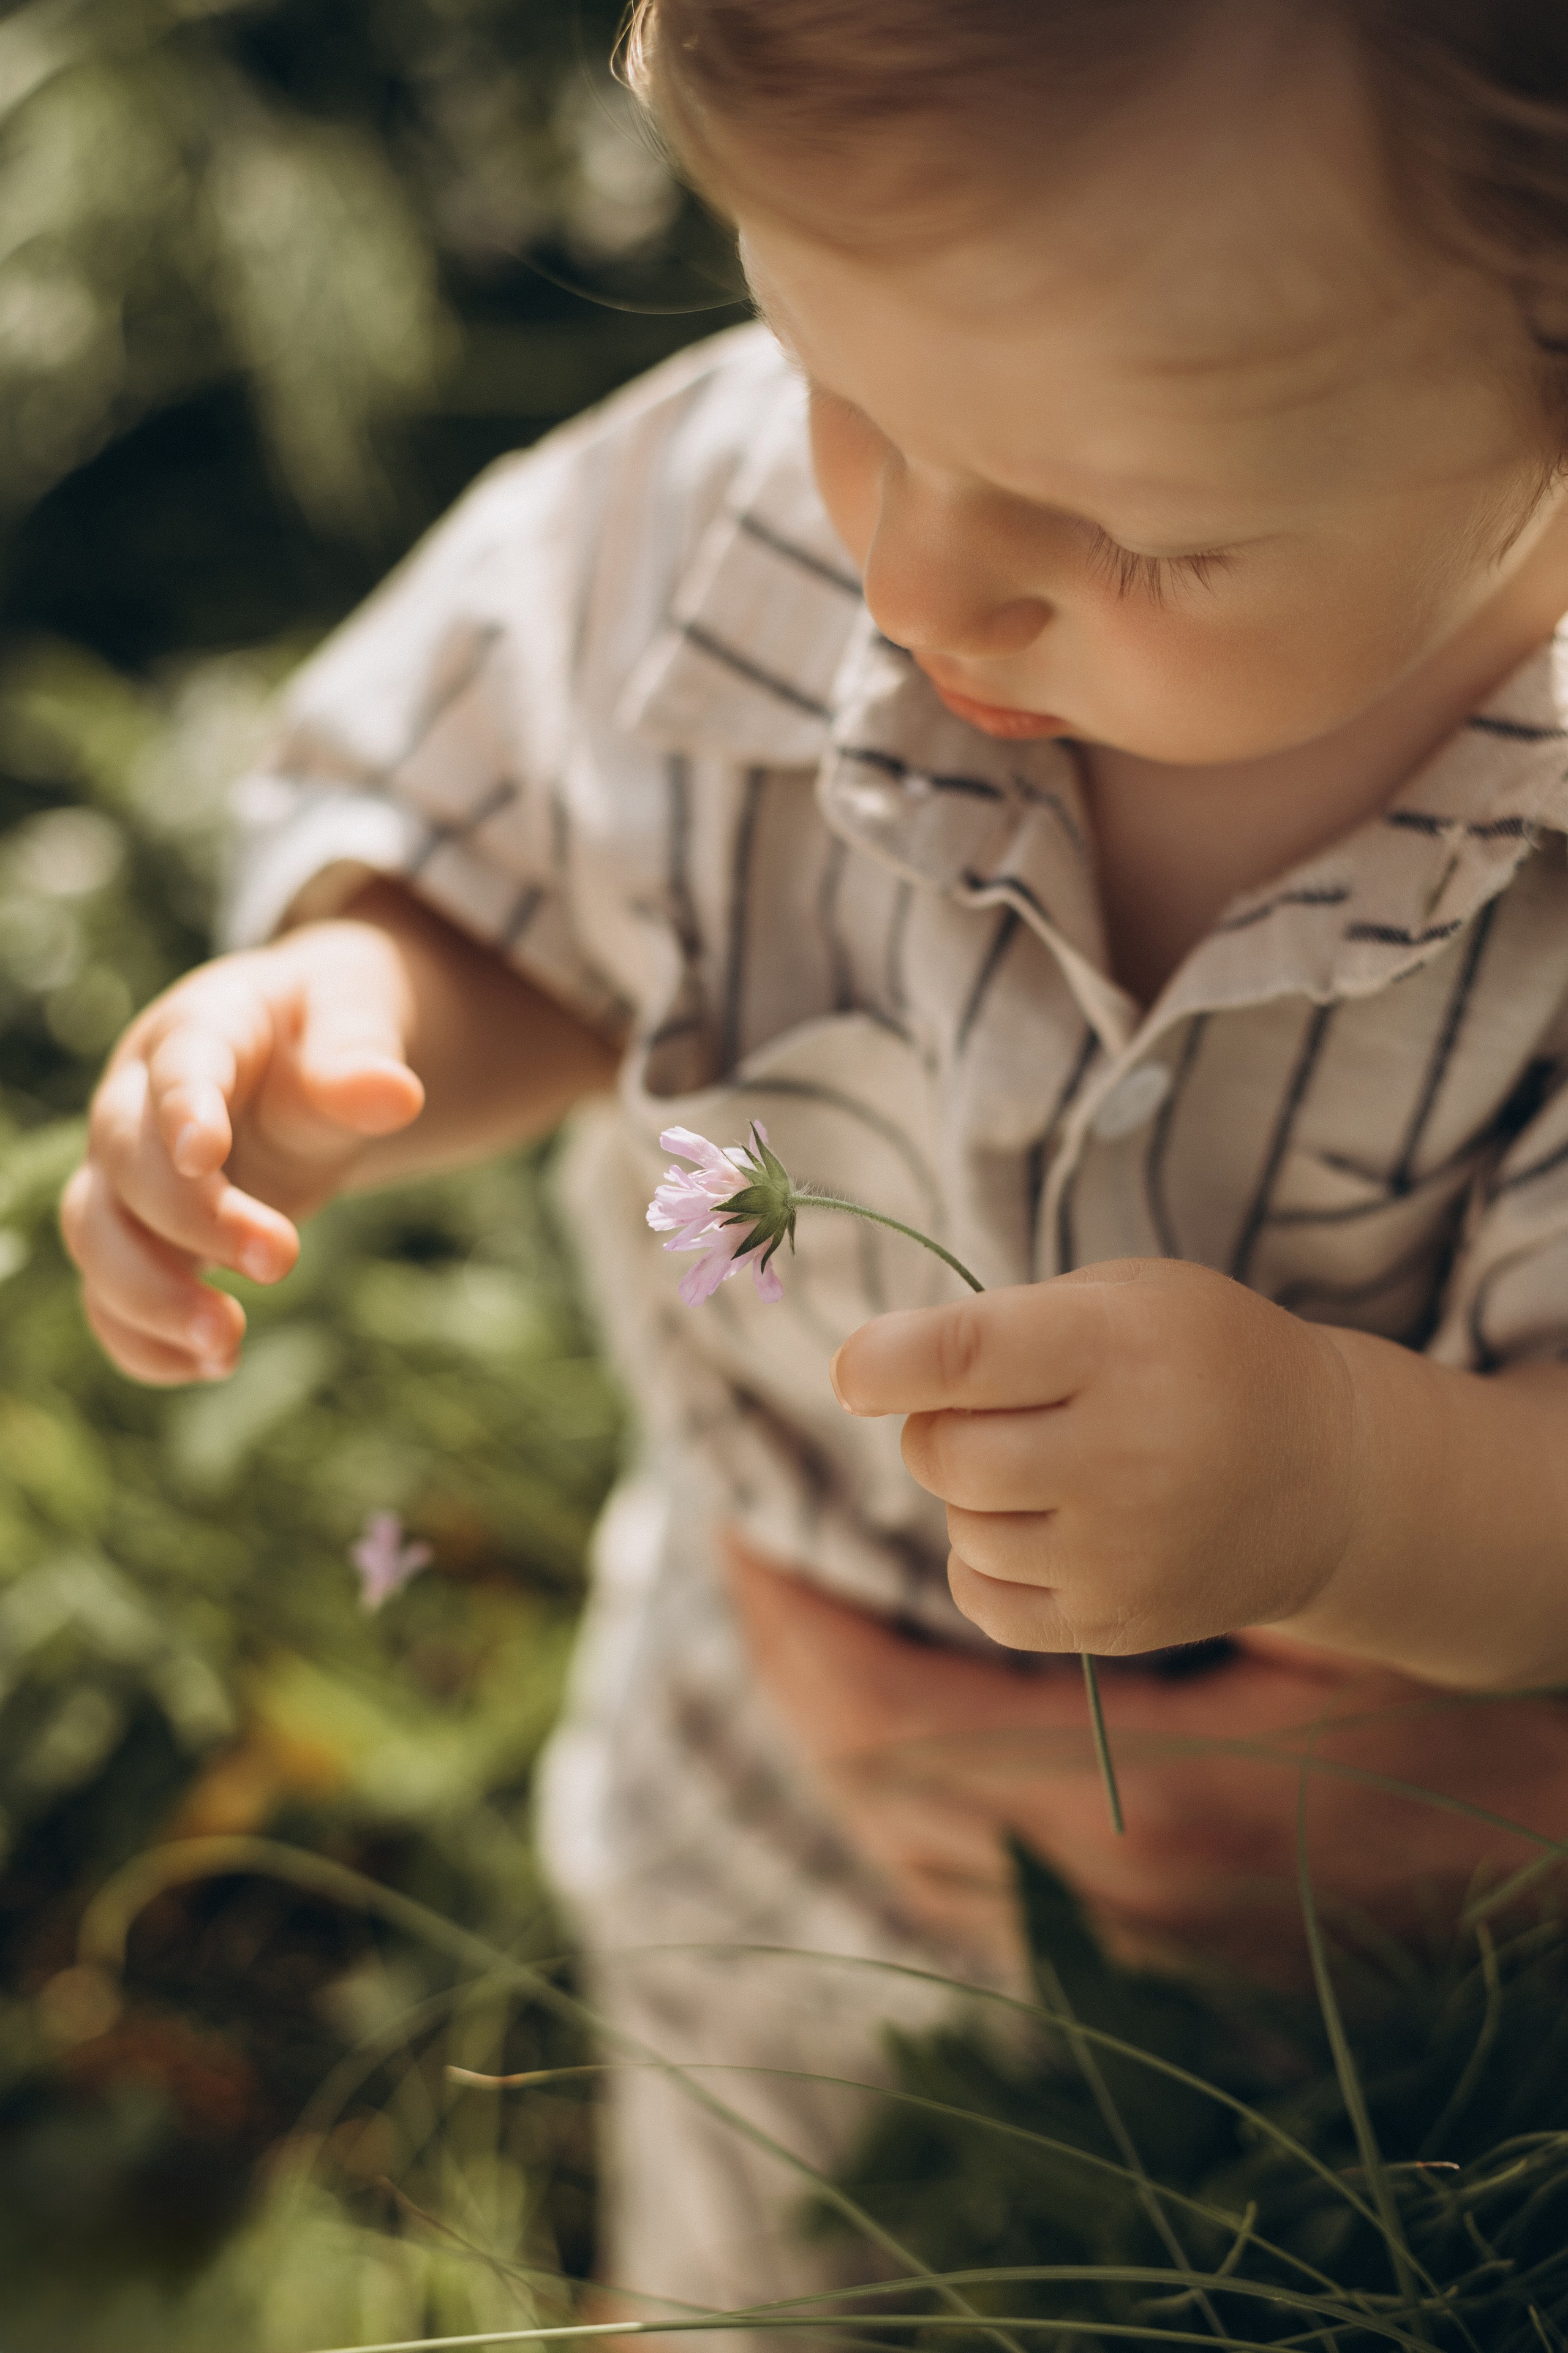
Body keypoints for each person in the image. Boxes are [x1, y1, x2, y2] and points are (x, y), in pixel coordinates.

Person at [55, 0, 1568, 2332]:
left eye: (1140, 536)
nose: (922, 585)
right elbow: (516, 887)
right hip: (765, 1755)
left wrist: (1358, 1485)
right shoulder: (707, 525)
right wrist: (339, 1025)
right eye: (837, 383)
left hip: (1387, 1927)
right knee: (756, 2246)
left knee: (1276, 2287)